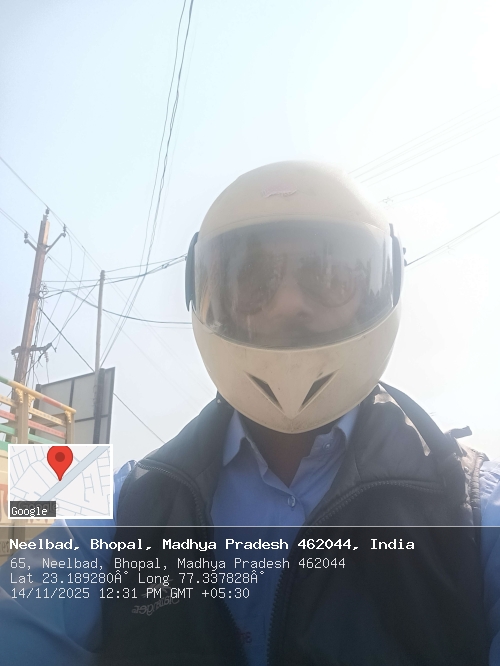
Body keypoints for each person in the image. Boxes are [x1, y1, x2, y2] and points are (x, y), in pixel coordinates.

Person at [2, 161, 500, 666]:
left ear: (383, 286)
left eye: (328, 275)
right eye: (252, 278)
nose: (287, 304)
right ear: (206, 294)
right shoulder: (124, 504)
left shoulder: (473, 504)